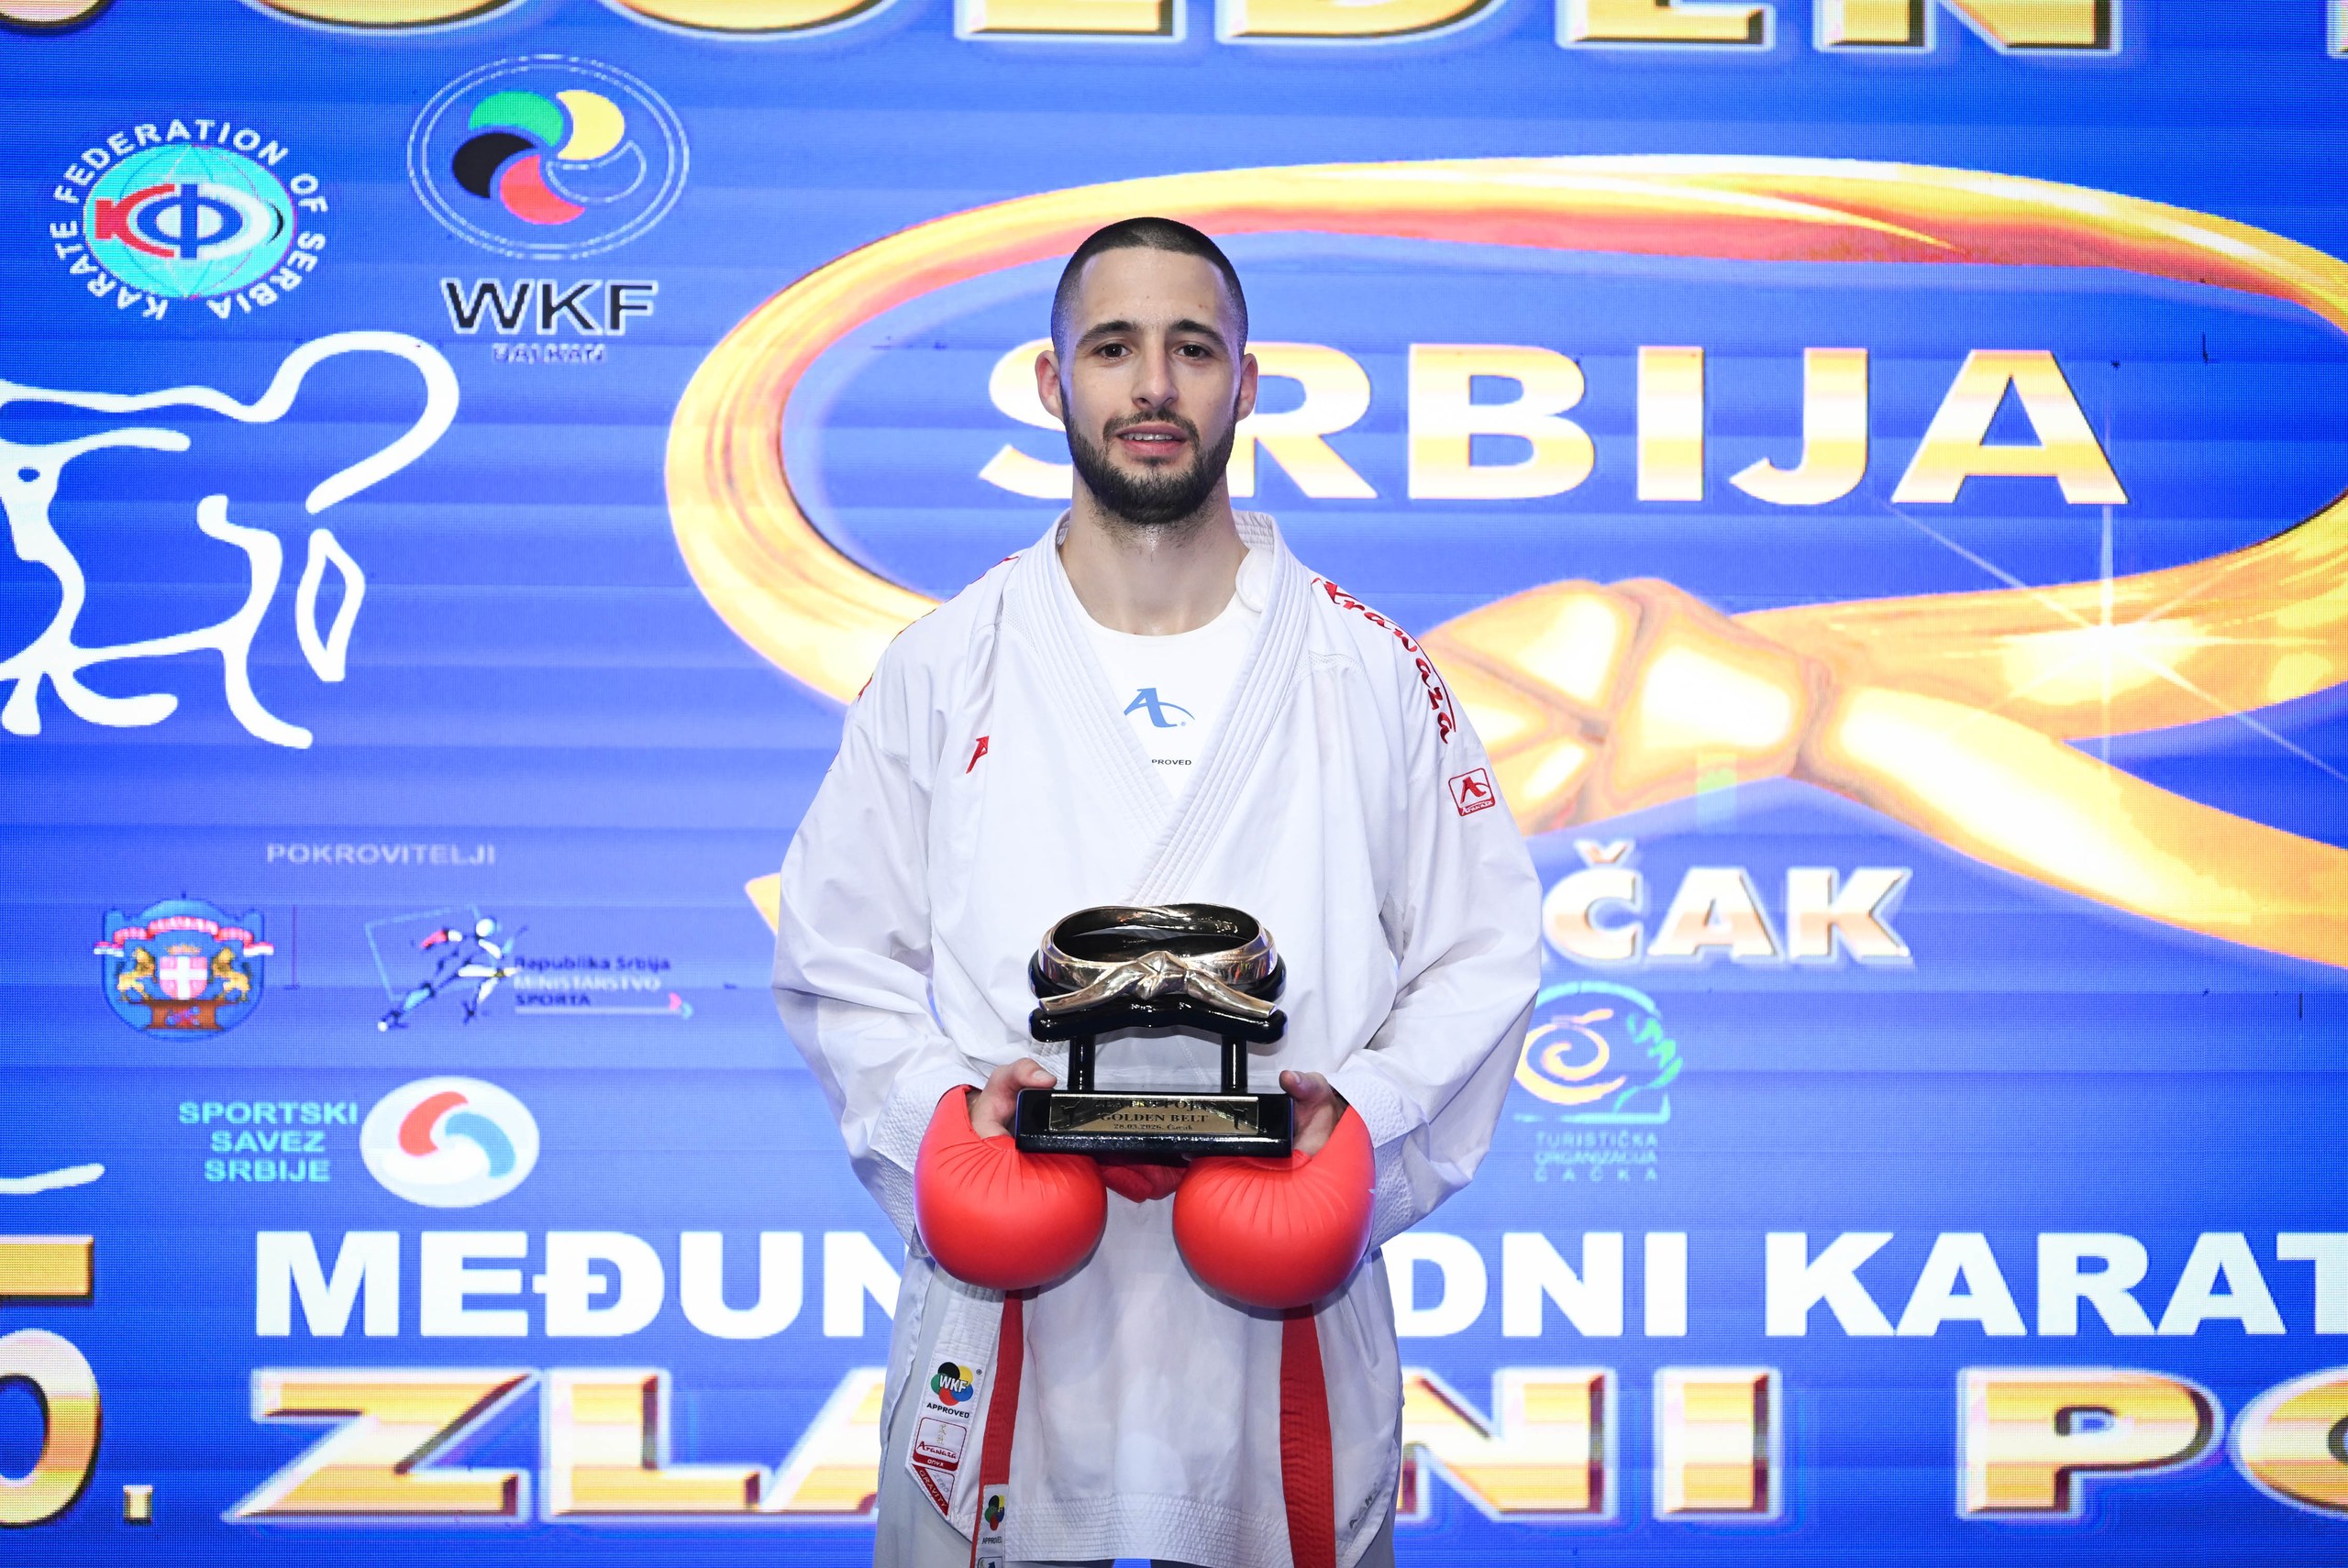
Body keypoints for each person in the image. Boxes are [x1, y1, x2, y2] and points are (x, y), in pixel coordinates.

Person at [772, 216, 1541, 1568]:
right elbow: (836, 954)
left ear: (1247, 382)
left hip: (1275, 1317)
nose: (1153, 386)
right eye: (1113, 347)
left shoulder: (1368, 667)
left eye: (1192, 349)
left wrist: (1359, 1122)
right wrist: (948, 1116)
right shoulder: (946, 664)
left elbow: (1483, 949)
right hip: (1014, 1315)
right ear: (1050, 380)